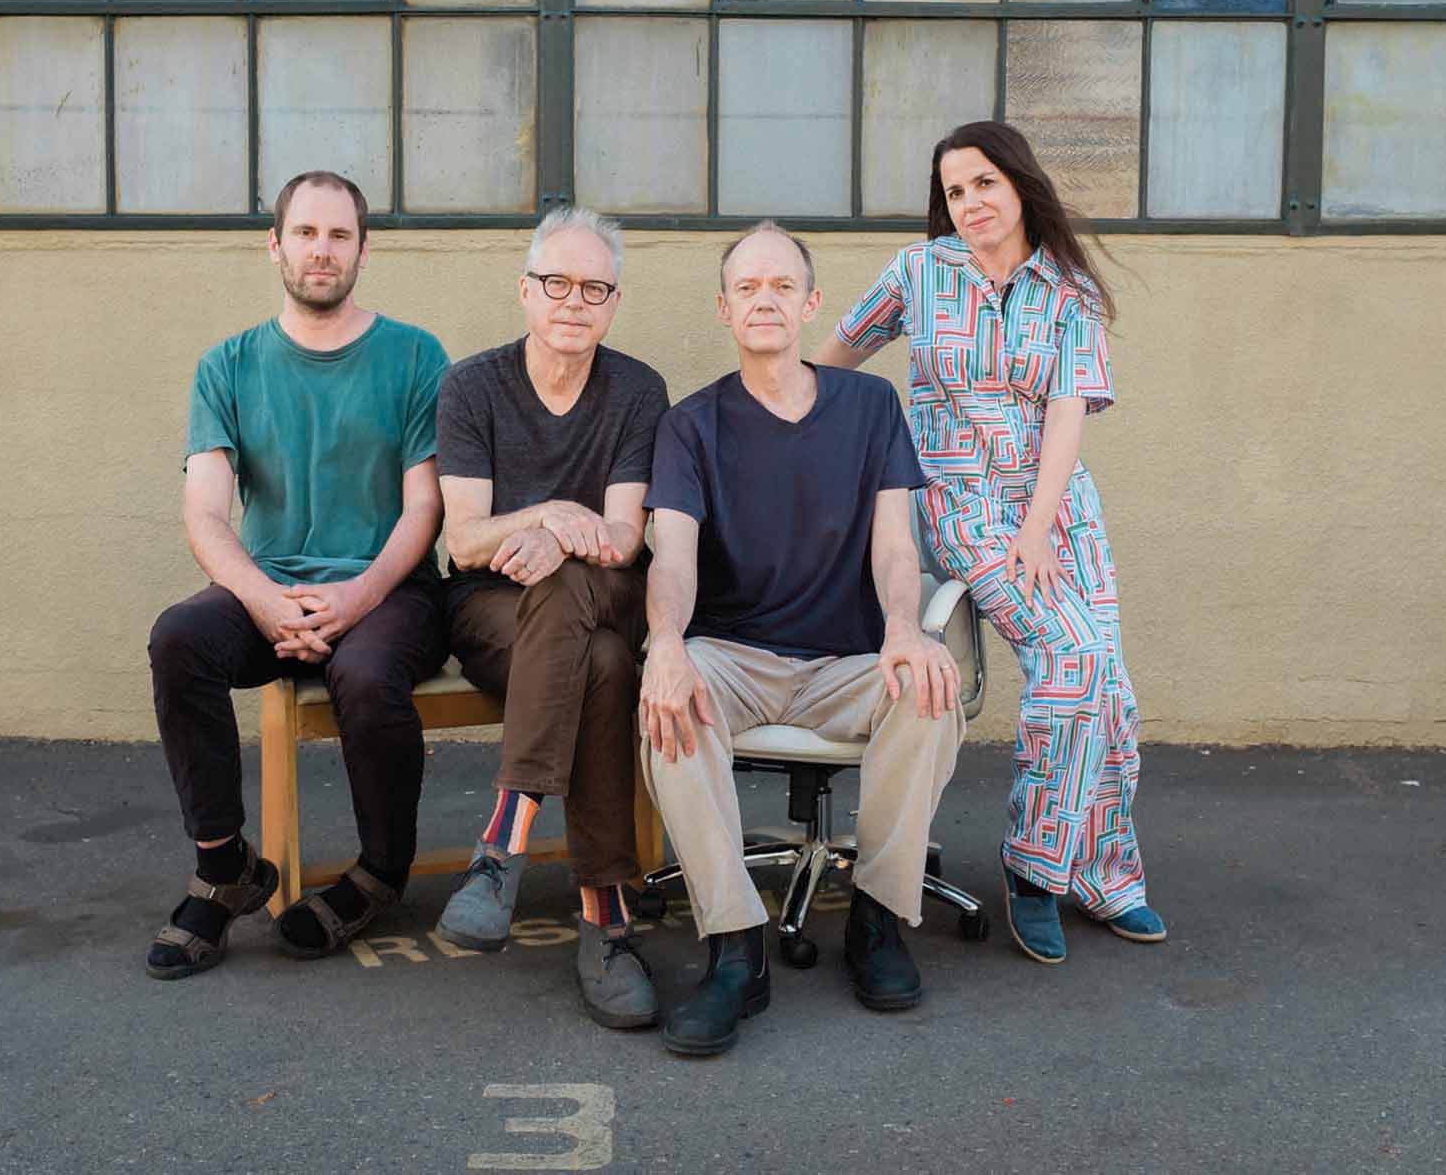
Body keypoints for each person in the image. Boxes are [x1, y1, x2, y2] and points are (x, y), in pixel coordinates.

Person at [814, 120, 1167, 965]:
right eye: (953, 191)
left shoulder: (1068, 290)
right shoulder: (919, 272)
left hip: (1058, 509)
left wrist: (1042, 527)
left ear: (1018, 184)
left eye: (982, 184)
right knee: (1074, 658)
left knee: (1107, 688)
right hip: (963, 506)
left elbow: (1068, 414)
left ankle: (1107, 873)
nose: (968, 203)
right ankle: (1034, 867)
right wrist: (806, 436)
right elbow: (833, 360)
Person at [640, 220, 965, 1057]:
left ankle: (879, 916)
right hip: (736, 657)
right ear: (724, 308)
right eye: (747, 287)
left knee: (928, 689)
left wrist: (904, 629)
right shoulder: (691, 424)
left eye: (783, 286)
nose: (765, 300)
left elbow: (897, 545)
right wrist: (666, 641)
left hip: (846, 660)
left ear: (811, 303)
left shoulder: (869, 406)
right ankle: (734, 943)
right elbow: (672, 555)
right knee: (670, 690)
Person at [145, 171, 450, 978]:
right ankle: (224, 866)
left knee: (365, 669)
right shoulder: (229, 365)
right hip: (269, 586)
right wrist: (263, 598)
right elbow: (207, 512)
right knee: (179, 638)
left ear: (363, 248)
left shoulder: (416, 355)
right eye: (307, 233)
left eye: (339, 235)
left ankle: (382, 869)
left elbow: (425, 508)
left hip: (391, 589)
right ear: (275, 244)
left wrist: (357, 595)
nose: (323, 250)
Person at [434, 207, 669, 1030]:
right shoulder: (471, 386)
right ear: (525, 291)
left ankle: (503, 845)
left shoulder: (637, 390)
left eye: (594, 288)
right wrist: (557, 514)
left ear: (613, 302)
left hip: (606, 587)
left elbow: (628, 536)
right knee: (603, 664)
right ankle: (606, 924)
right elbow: (463, 544)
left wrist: (563, 543)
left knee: (575, 588)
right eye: (557, 284)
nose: (574, 301)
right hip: (494, 611)